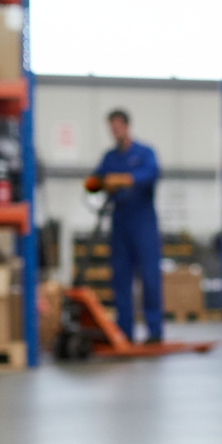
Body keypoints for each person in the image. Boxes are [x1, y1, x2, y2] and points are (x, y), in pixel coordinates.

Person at [87, 110, 163, 344]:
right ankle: (124, 332)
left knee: (149, 278)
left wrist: (126, 179)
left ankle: (154, 332)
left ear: (127, 127)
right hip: (119, 224)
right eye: (112, 127)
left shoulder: (144, 152)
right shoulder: (109, 158)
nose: (115, 131)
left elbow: (153, 173)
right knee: (120, 279)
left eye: (118, 126)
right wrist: (100, 183)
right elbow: (92, 183)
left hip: (143, 224)